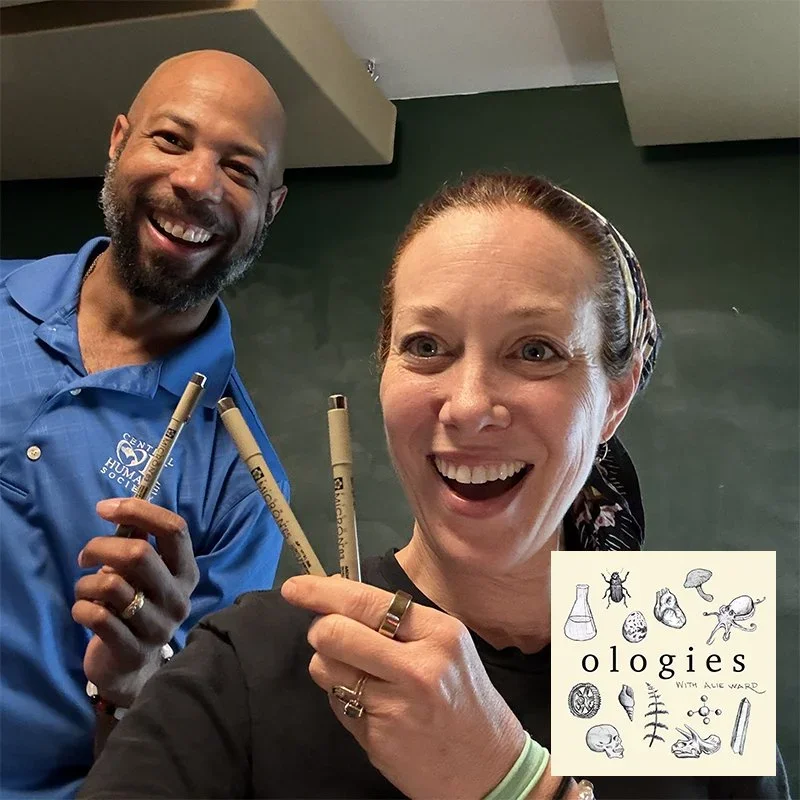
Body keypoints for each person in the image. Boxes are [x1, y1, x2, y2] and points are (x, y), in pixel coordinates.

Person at [79, 174, 790, 798]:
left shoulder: (688, 655)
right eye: (426, 347)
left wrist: (509, 783)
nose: (471, 404)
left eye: (535, 350)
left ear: (616, 397)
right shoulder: (253, 656)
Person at [0, 50, 291, 796]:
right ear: (118, 139)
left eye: (239, 169)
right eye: (171, 140)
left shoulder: (244, 485)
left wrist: (132, 681)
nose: (196, 182)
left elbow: (171, 762)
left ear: (271, 207)